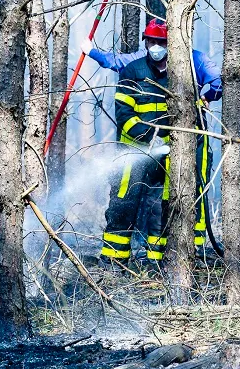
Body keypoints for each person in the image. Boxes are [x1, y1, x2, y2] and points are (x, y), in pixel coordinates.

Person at [93, 19, 221, 266]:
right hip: (134, 149)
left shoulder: (189, 67)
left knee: (167, 203)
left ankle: (166, 261)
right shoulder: (133, 71)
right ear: (146, 42)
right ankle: (113, 260)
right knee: (124, 200)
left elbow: (217, 81)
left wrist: (204, 98)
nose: (155, 47)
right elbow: (124, 115)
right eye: (151, 41)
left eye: (160, 42)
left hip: (175, 150)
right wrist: (148, 137)